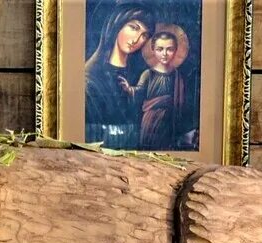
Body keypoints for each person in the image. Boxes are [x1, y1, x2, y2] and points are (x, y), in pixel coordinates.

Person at [83, 9, 151, 147]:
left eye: (144, 35)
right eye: (133, 28)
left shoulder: (142, 75)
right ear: (117, 25)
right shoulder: (91, 77)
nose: (137, 40)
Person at [136, 23, 197, 151]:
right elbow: (138, 96)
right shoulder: (147, 74)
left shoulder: (177, 76)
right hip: (150, 123)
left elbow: (183, 104)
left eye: (169, 49)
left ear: (176, 50)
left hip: (171, 124)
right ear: (152, 49)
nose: (164, 53)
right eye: (160, 49)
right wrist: (128, 89)